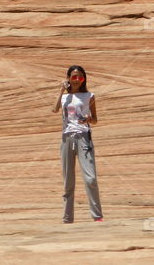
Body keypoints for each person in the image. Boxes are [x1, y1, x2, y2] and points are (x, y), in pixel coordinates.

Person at [52, 65, 103, 223]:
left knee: (90, 178)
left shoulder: (89, 96)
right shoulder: (64, 97)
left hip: (83, 137)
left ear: (84, 79)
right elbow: (54, 109)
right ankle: (67, 218)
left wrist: (88, 119)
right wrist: (61, 91)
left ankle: (97, 216)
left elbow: (95, 119)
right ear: (68, 78)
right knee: (68, 181)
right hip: (67, 138)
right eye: (73, 77)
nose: (77, 80)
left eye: (80, 77)